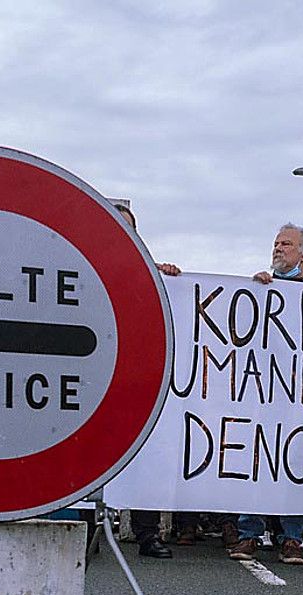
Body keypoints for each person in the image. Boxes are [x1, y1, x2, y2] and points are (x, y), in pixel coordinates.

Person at [230, 224, 303, 566]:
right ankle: (249, 534)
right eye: (275, 243)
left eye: (286, 244)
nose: (278, 249)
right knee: (257, 460)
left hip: (300, 398)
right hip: (263, 392)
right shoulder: (260, 288)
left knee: (295, 463)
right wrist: (253, 292)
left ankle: (292, 538)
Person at [110, 202, 176, 557]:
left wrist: (170, 280)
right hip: (96, 379)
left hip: (137, 380)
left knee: (146, 452)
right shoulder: (81, 266)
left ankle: (147, 532)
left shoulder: (152, 275)